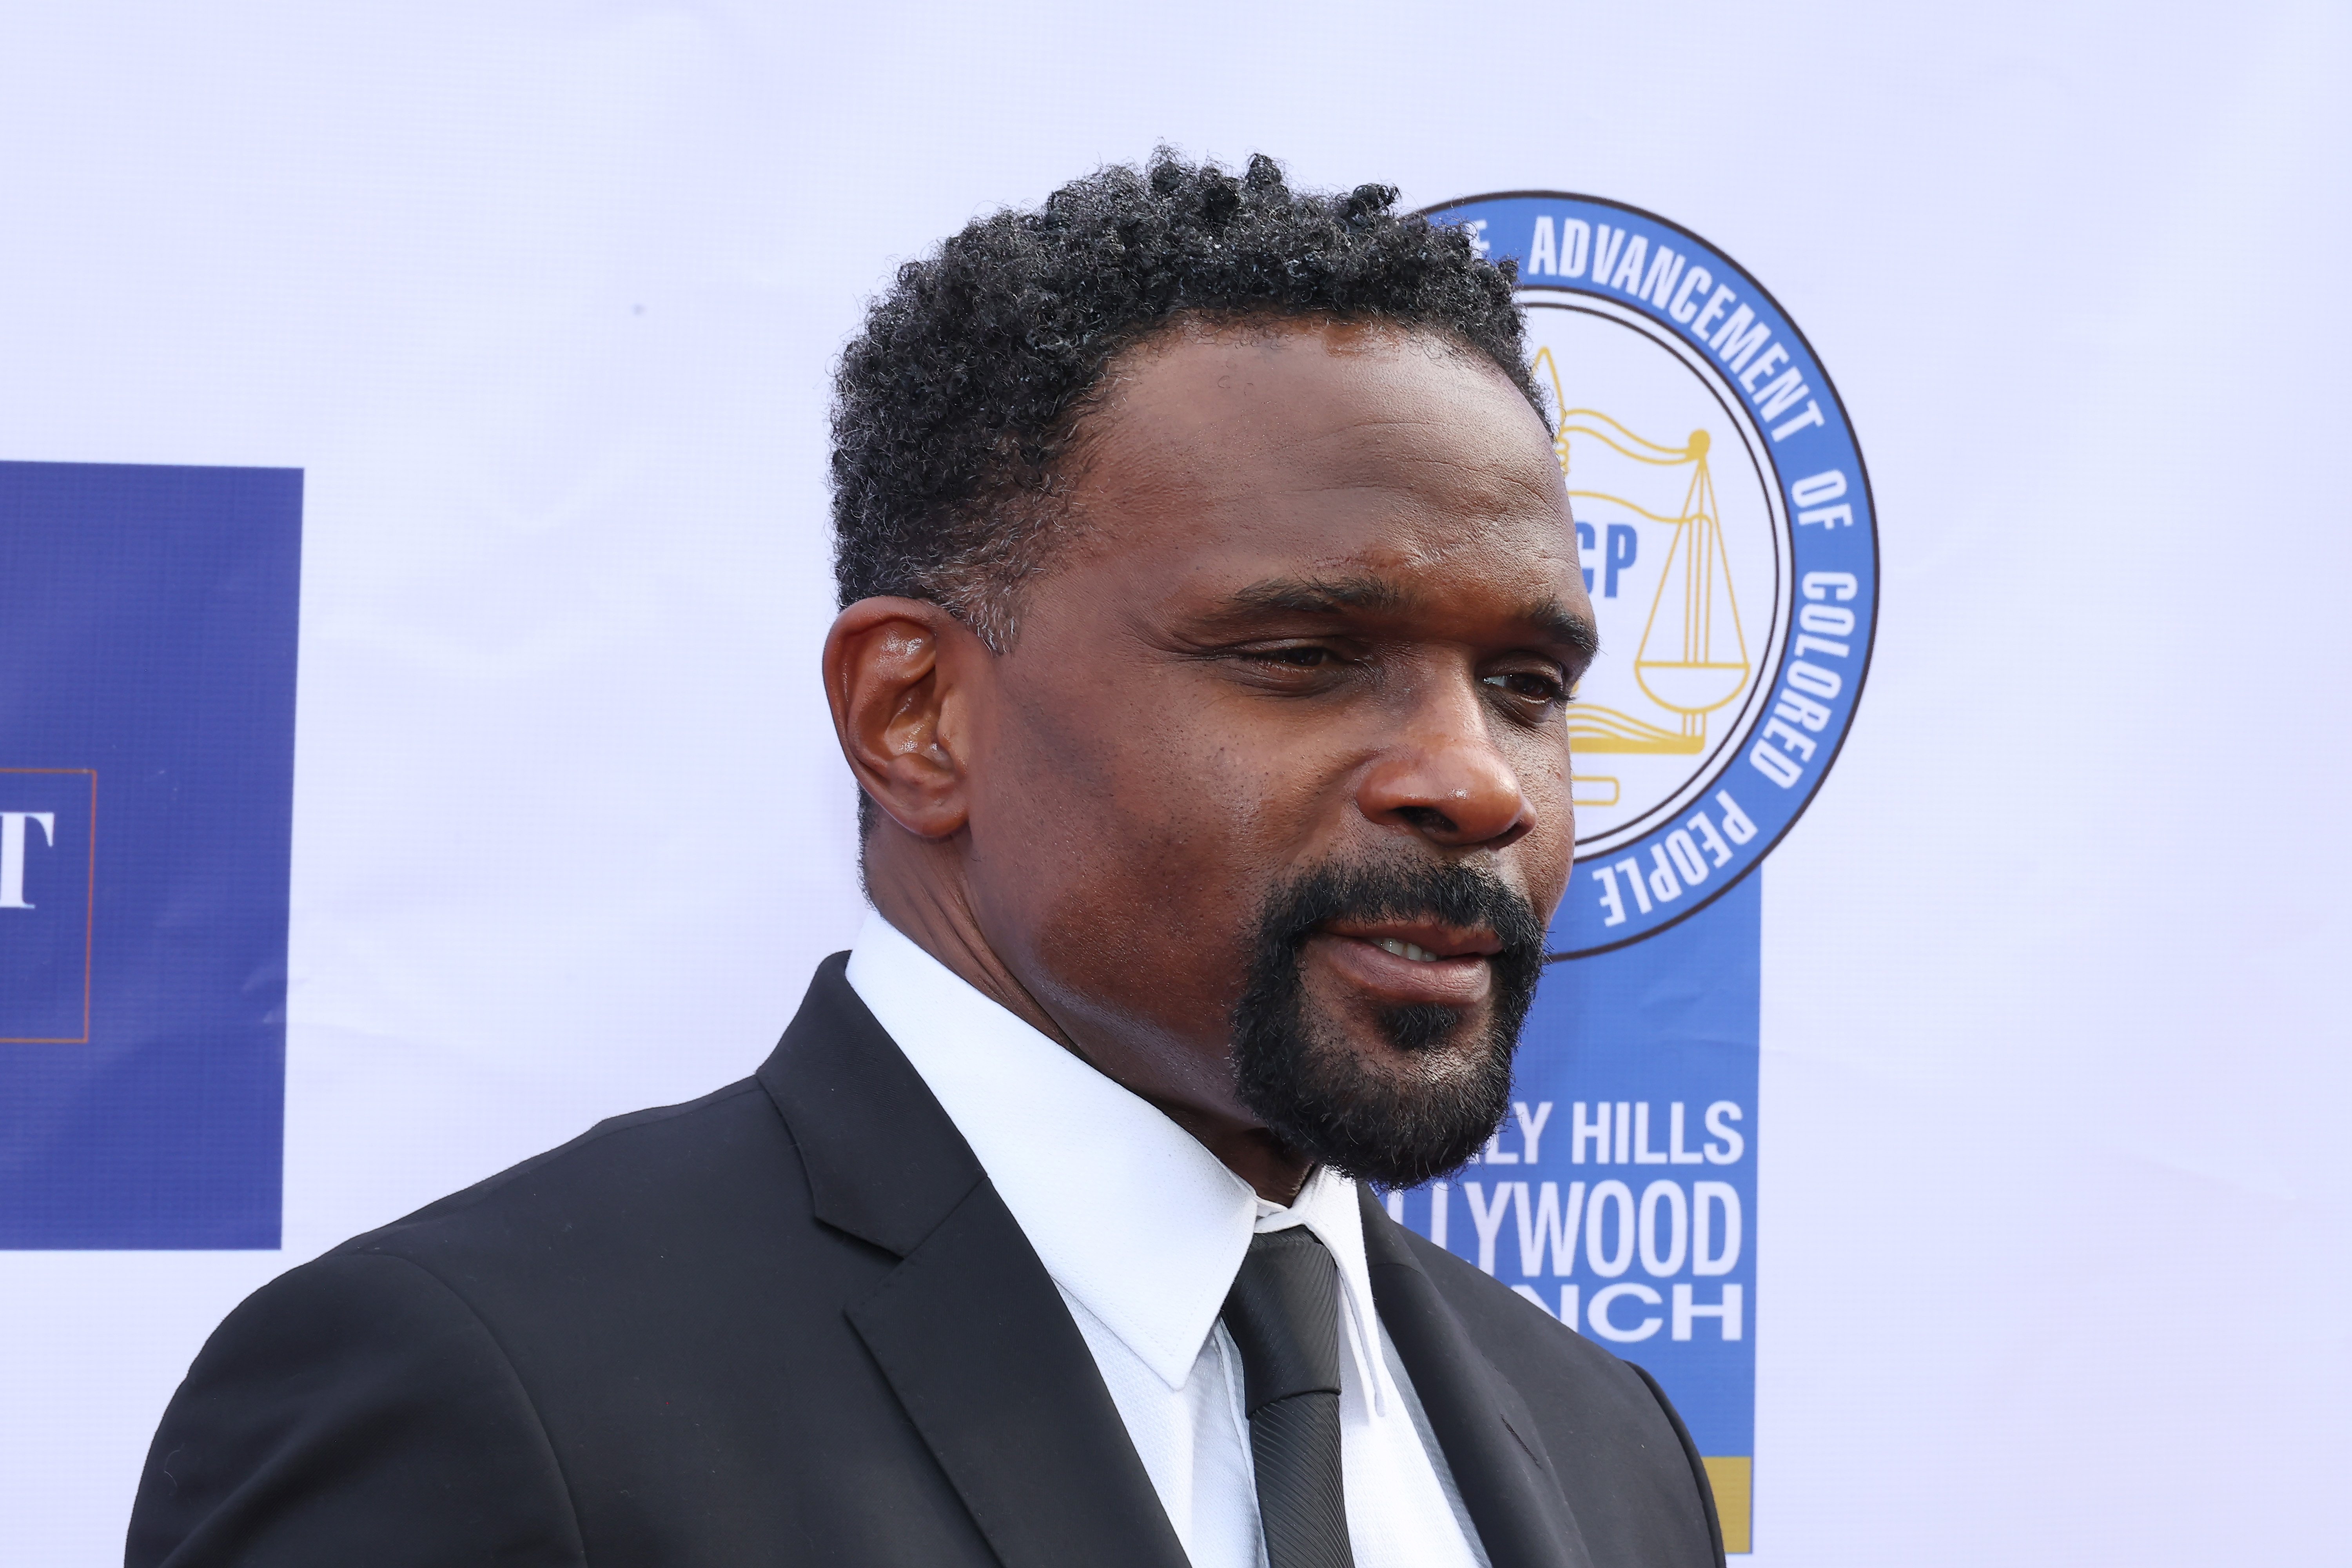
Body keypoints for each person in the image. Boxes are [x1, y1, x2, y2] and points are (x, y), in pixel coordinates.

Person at [128, 152, 1725, 1568]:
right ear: (915, 716)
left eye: (1529, 686)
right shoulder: (484, 1397)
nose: (1475, 780)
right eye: (1304, 656)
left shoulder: (1605, 1443)